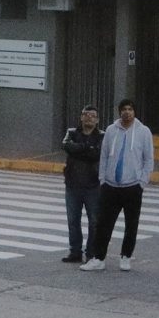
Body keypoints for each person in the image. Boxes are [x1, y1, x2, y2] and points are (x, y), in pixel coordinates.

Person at [84, 97, 155, 270]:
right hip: (110, 185)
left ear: (134, 112)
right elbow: (104, 155)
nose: (127, 112)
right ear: (119, 111)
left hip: (132, 185)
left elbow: (148, 158)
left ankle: (126, 256)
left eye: (130, 109)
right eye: (124, 109)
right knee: (104, 224)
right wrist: (103, 179)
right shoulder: (111, 130)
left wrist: (142, 182)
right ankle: (98, 258)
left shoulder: (143, 131)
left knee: (131, 224)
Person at [59, 106, 102, 263]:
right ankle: (75, 251)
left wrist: (79, 149)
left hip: (93, 185)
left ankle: (91, 252)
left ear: (97, 120)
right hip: (73, 184)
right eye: (86, 114)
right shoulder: (71, 132)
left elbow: (97, 153)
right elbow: (67, 146)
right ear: (81, 117)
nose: (89, 118)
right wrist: (86, 148)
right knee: (73, 220)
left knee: (95, 221)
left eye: (93, 115)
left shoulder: (102, 136)